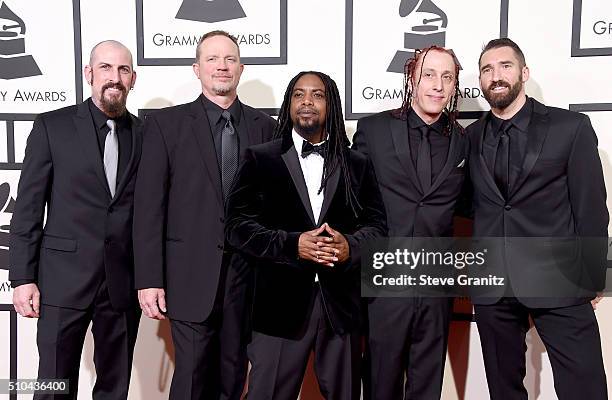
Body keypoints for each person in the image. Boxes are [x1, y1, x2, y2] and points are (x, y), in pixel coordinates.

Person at [225, 71, 387, 400]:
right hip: (278, 308)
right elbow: (236, 226)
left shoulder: (357, 164)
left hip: (340, 308)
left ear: (332, 104)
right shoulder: (260, 158)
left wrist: (350, 248)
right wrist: (292, 244)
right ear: (289, 104)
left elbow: (378, 229)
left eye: (317, 95)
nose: (307, 102)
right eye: (299, 95)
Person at [133, 30, 275, 400]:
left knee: (232, 378)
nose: (221, 66)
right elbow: (149, 207)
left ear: (241, 68)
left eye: (229, 59)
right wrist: (149, 278)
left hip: (247, 278)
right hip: (188, 276)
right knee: (192, 379)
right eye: (212, 59)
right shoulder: (166, 126)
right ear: (197, 69)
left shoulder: (266, 129)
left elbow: (273, 211)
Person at [467, 37, 608, 400]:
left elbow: (591, 206)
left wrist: (593, 276)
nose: (496, 75)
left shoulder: (570, 127)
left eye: (505, 66)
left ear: (524, 73)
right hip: (493, 286)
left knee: (584, 387)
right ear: (480, 80)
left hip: (560, 280)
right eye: (487, 69)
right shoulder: (469, 137)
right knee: (503, 390)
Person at [9, 40, 142, 399]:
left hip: (122, 283)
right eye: (105, 68)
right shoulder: (53, 127)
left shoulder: (146, 135)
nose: (114, 78)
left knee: (115, 388)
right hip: (61, 281)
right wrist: (22, 277)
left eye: (123, 70)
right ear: (89, 74)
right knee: (54, 384)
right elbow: (28, 209)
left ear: (133, 79)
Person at [352, 46, 468, 400]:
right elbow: (352, 203)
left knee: (427, 385)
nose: (438, 85)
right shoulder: (373, 129)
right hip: (384, 284)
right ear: (411, 78)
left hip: (436, 285)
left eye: (447, 77)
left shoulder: (464, 139)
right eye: (429, 75)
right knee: (380, 383)